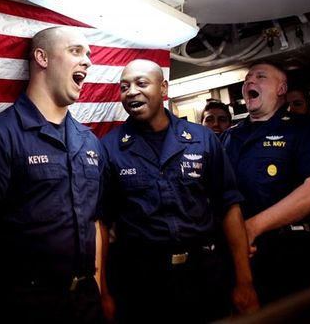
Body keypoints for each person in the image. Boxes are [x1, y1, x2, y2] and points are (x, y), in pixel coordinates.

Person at [0, 26, 107, 324]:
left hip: (85, 303)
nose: (87, 61)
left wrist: (97, 289)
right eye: (76, 51)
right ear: (42, 57)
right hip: (25, 305)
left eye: (89, 54)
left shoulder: (90, 142)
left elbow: (93, 223)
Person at [101, 59, 258, 324]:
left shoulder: (201, 138)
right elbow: (102, 223)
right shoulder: (110, 148)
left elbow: (229, 207)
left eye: (141, 83)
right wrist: (104, 291)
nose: (131, 92)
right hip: (143, 282)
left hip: (203, 273)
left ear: (163, 89)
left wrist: (244, 281)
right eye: (124, 87)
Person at [221, 60, 310, 304]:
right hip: (238, 258)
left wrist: (250, 228)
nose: (250, 81)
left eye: (260, 77)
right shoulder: (230, 136)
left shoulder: (305, 129)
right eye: (247, 79)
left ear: (282, 88)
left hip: (290, 256)